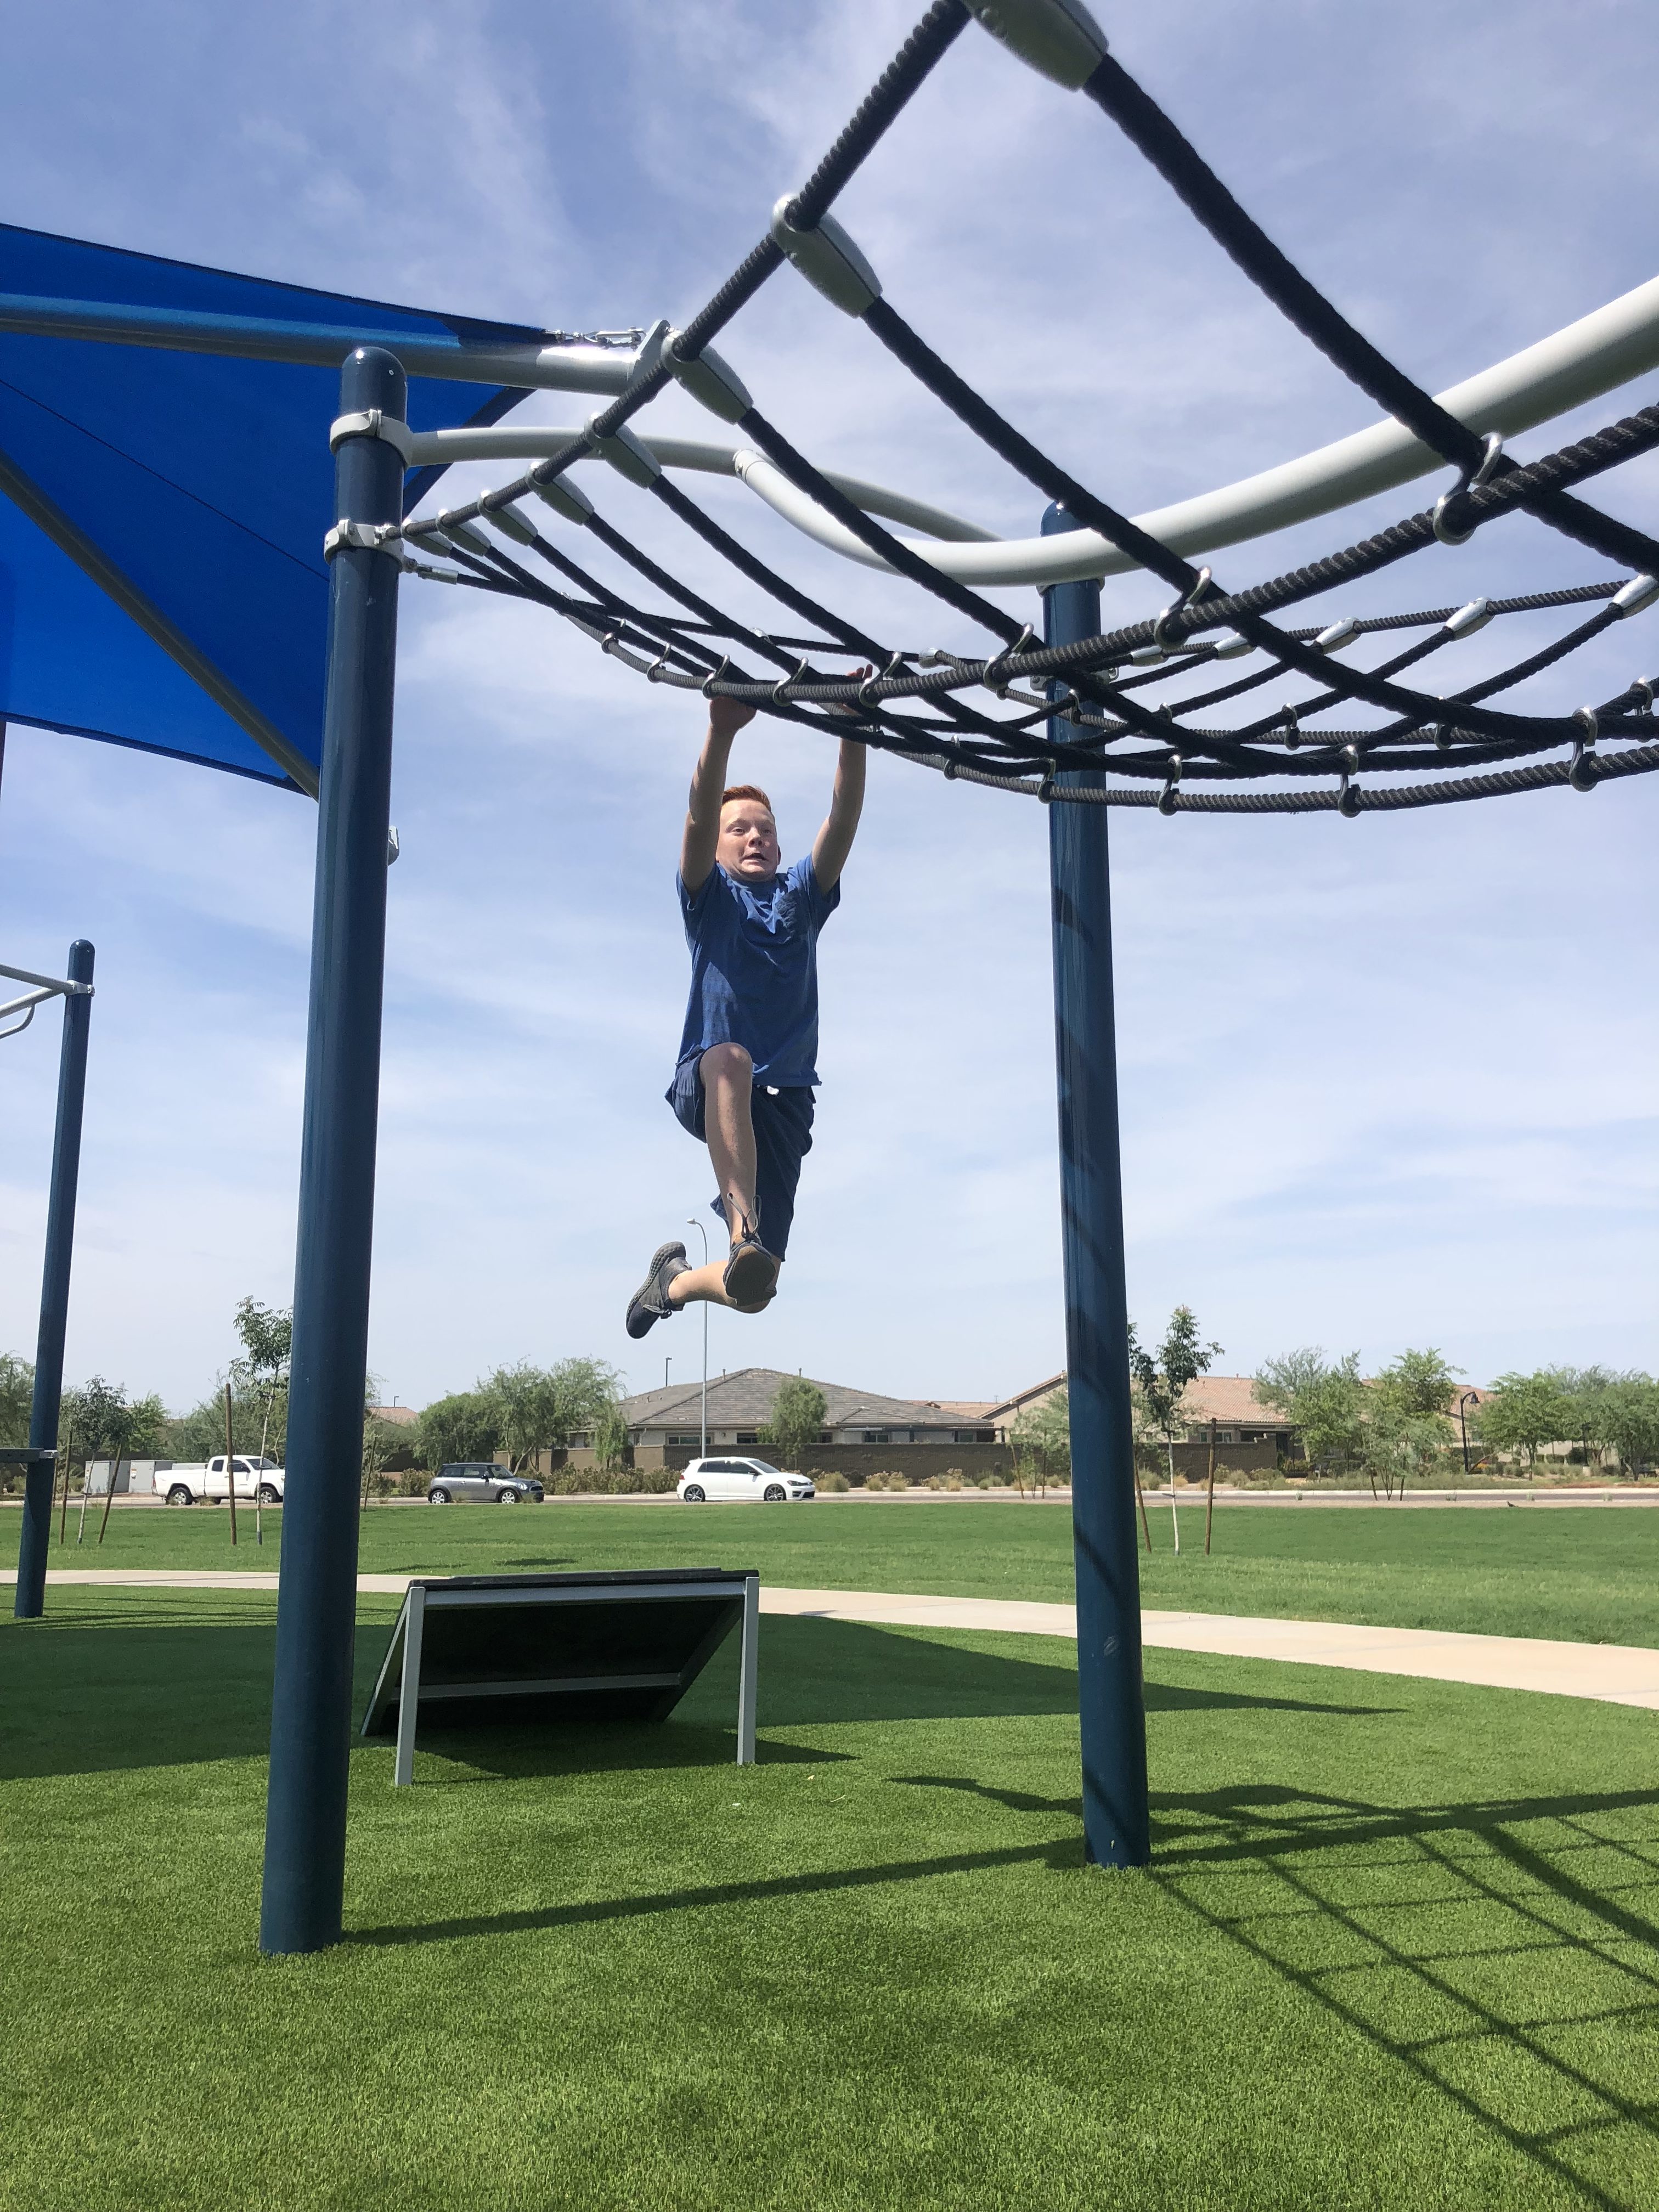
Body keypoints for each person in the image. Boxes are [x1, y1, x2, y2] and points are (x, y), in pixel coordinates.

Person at [625, 686, 866, 1335]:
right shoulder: (709, 898)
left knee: (755, 1291)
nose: (754, 836)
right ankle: (742, 1230)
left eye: (765, 829)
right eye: (741, 829)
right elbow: (699, 818)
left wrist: (853, 729)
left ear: (780, 847)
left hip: (786, 1100)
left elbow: (842, 817)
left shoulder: (803, 896)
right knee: (731, 1054)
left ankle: (672, 1284)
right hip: (711, 1079)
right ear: (722, 848)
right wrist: (722, 733)